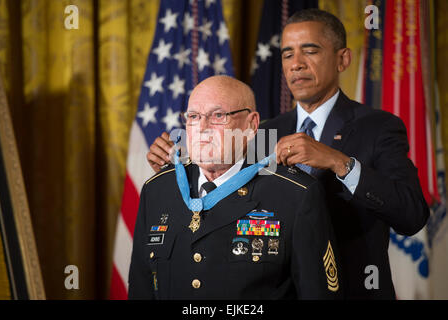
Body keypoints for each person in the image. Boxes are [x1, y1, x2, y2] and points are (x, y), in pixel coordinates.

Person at [145, 9, 430, 299]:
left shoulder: (379, 127)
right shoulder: (264, 132)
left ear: (343, 59)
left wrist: (339, 162)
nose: (296, 65)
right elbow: (222, 198)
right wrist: (179, 170)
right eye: (287, 54)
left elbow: (412, 215)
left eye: (310, 51)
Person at [128, 75, 341, 299]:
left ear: (251, 124)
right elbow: (141, 289)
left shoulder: (295, 194)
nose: (202, 128)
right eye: (193, 116)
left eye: (218, 116)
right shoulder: (157, 189)